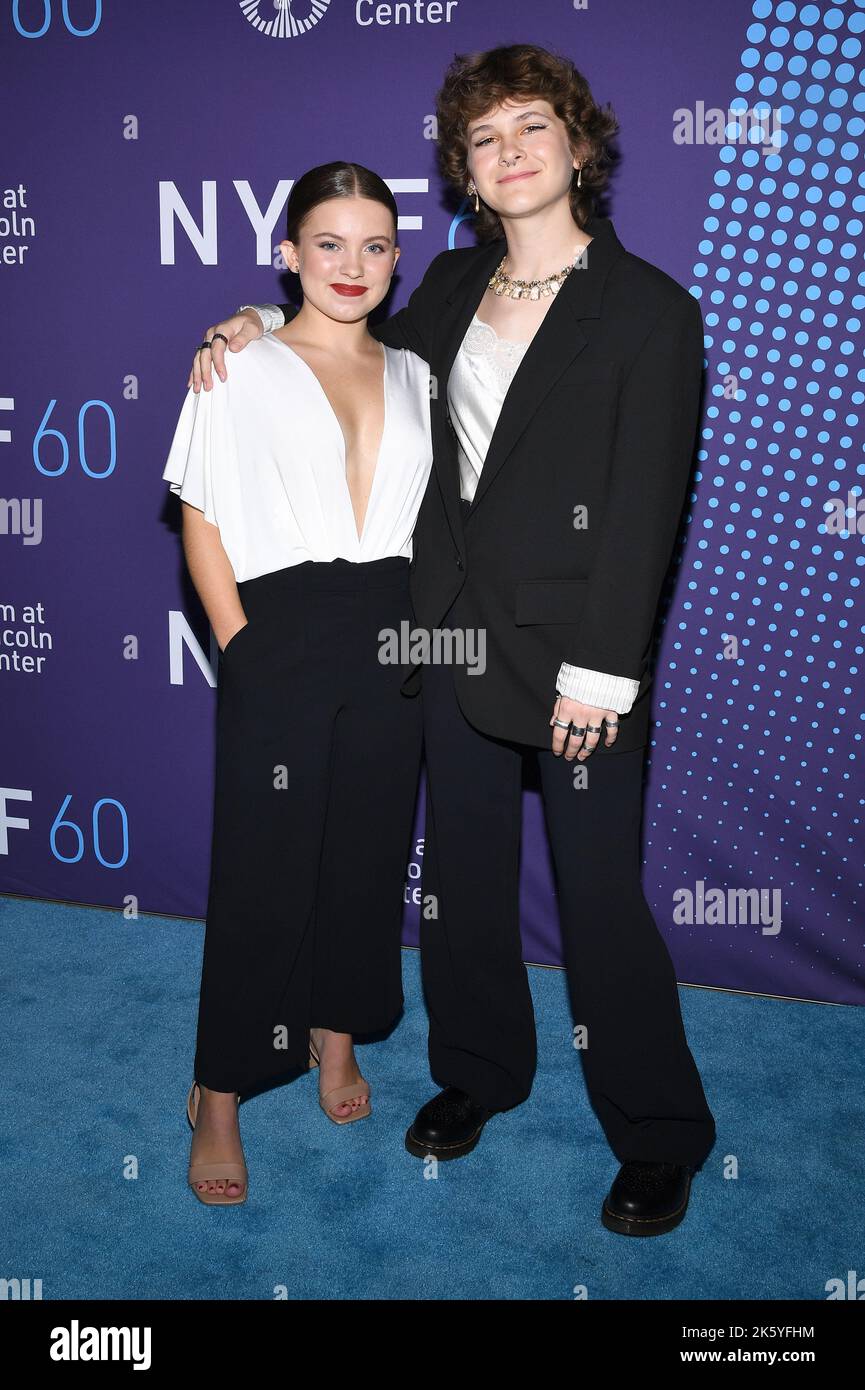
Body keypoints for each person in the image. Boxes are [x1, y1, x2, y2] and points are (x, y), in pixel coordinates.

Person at [188, 43, 716, 1236]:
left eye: (533, 128)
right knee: (463, 886)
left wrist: (604, 672)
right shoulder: (445, 289)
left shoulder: (648, 310)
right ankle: (478, 1068)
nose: (511, 152)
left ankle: (661, 1130)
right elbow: (346, 339)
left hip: (578, 662)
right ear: (466, 173)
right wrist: (253, 323)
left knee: (597, 899)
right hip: (447, 648)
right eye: (484, 139)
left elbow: (644, 511)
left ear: (579, 146)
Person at [163, 162, 432, 1205]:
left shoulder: (415, 373)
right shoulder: (241, 365)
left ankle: (333, 1038)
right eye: (328, 243)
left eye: (373, 245)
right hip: (281, 632)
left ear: (397, 258)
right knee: (263, 871)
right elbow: (202, 515)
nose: (352, 265)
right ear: (287, 255)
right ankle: (219, 1086)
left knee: (363, 862)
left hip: (395, 639)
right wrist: (241, 644)